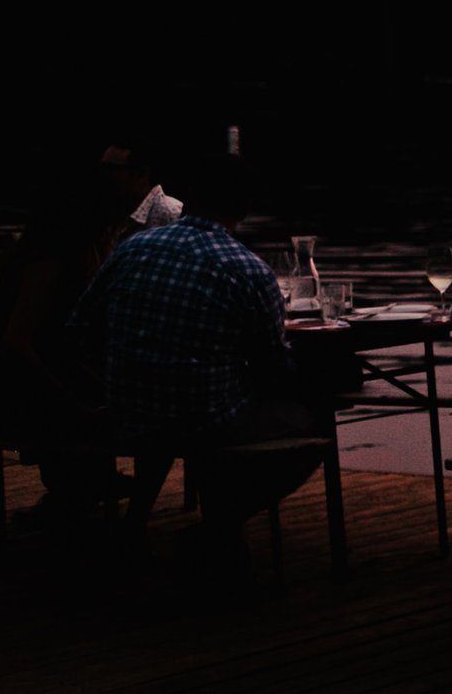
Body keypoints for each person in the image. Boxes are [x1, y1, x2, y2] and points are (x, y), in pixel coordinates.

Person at [70, 151, 317, 580]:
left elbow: (79, 329)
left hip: (127, 411)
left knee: (175, 390)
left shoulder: (133, 247)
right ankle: (221, 523)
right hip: (203, 419)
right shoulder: (247, 268)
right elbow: (273, 369)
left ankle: (150, 525)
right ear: (245, 208)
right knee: (312, 420)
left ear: (191, 198)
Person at [0, 165, 125, 528]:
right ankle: (80, 492)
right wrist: (78, 405)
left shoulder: (47, 252)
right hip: (30, 392)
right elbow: (18, 343)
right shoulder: (50, 262)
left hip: (47, 380)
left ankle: (80, 490)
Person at [99, 136, 180, 238]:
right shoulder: (112, 212)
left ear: (141, 173)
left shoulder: (171, 214)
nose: (103, 175)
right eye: (102, 167)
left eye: (111, 169)